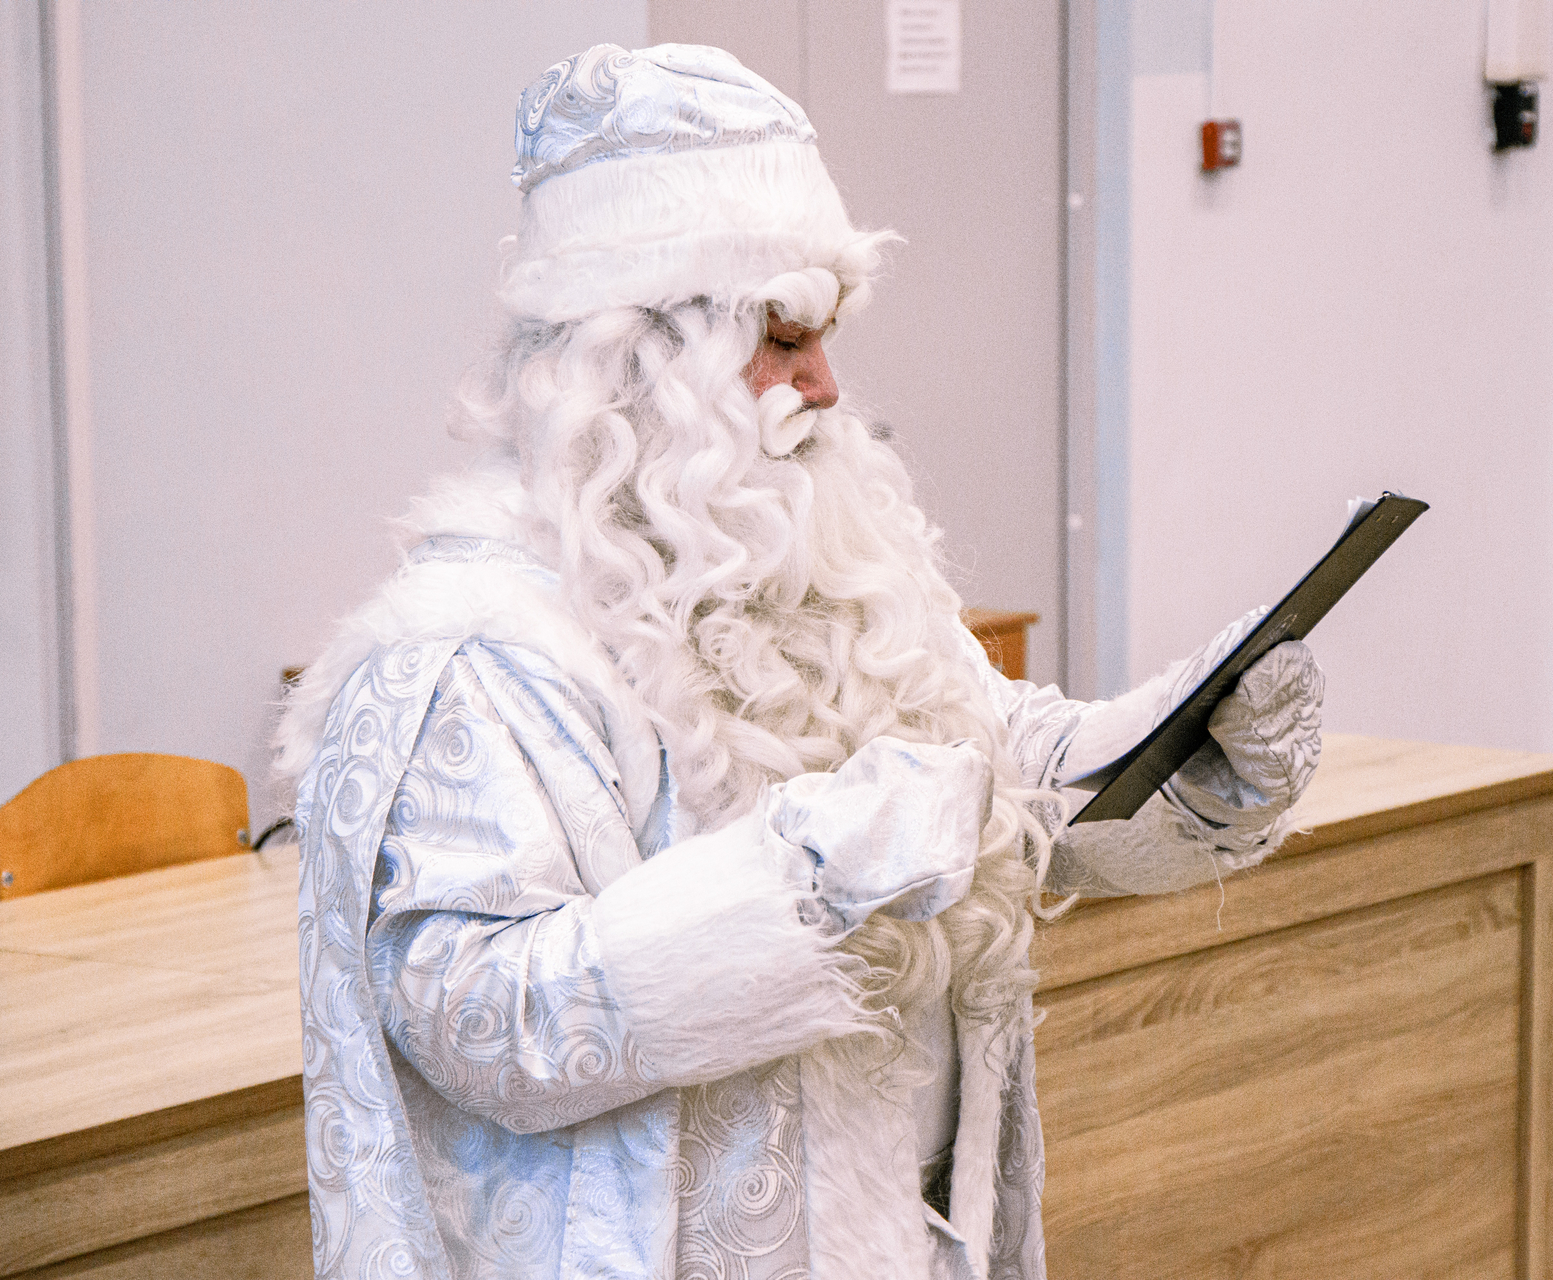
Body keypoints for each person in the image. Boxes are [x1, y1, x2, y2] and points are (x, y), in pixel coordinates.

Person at [278, 42, 1324, 1280]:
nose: (825, 384)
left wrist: (1184, 740)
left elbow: (983, 773)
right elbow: (480, 1018)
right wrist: (803, 877)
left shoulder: (805, 550)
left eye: (826, 335)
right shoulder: (473, 650)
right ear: (637, 355)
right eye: (782, 336)